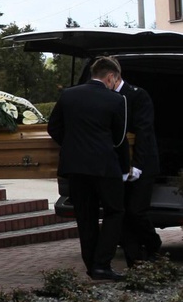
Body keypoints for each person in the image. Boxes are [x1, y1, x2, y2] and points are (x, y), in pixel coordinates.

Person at [48, 56, 129, 281]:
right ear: (111, 77)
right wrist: (124, 168)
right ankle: (102, 263)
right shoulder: (116, 99)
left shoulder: (68, 95)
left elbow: (53, 127)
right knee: (115, 212)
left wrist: (73, 145)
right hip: (104, 165)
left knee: (86, 216)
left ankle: (91, 265)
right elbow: (119, 138)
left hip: (75, 166)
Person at [112, 71, 162, 266]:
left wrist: (138, 165)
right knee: (121, 213)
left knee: (136, 211)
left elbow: (144, 130)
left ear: (113, 77)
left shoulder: (137, 95)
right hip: (118, 165)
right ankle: (134, 259)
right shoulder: (108, 97)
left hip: (143, 164)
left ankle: (153, 244)